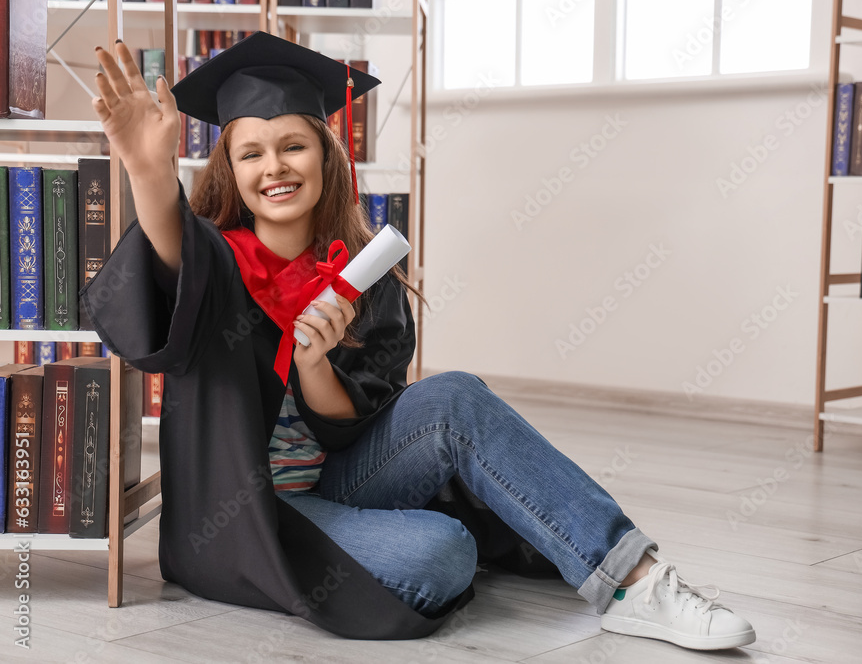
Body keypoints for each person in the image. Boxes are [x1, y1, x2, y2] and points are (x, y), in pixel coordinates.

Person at [83, 32, 756, 651]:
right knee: (442, 552)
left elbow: (364, 423)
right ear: (230, 168)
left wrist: (315, 362)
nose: (275, 167)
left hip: (342, 482)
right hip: (252, 513)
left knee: (457, 396)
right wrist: (148, 172)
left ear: (325, 153)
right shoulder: (218, 264)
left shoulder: (364, 276)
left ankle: (635, 580)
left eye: (293, 144)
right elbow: (170, 251)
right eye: (251, 152)